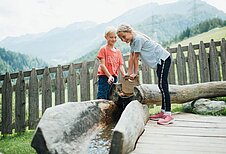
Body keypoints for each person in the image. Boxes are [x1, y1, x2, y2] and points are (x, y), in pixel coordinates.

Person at [117, 23, 174, 125]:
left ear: (129, 32)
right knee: (161, 86)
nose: (124, 40)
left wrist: (135, 73)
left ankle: (168, 115)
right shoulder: (133, 42)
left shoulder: (138, 39)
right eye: (121, 39)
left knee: (163, 85)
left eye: (124, 37)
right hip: (159, 62)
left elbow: (136, 57)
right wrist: (128, 73)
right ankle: (163, 112)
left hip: (163, 59)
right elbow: (130, 57)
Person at [97, 26, 126, 100]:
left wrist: (124, 75)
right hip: (104, 77)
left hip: (114, 78)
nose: (113, 39)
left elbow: (121, 65)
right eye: (111, 37)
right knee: (102, 97)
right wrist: (109, 76)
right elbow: (102, 65)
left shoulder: (118, 52)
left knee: (112, 97)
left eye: (115, 37)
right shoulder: (103, 49)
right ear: (106, 37)